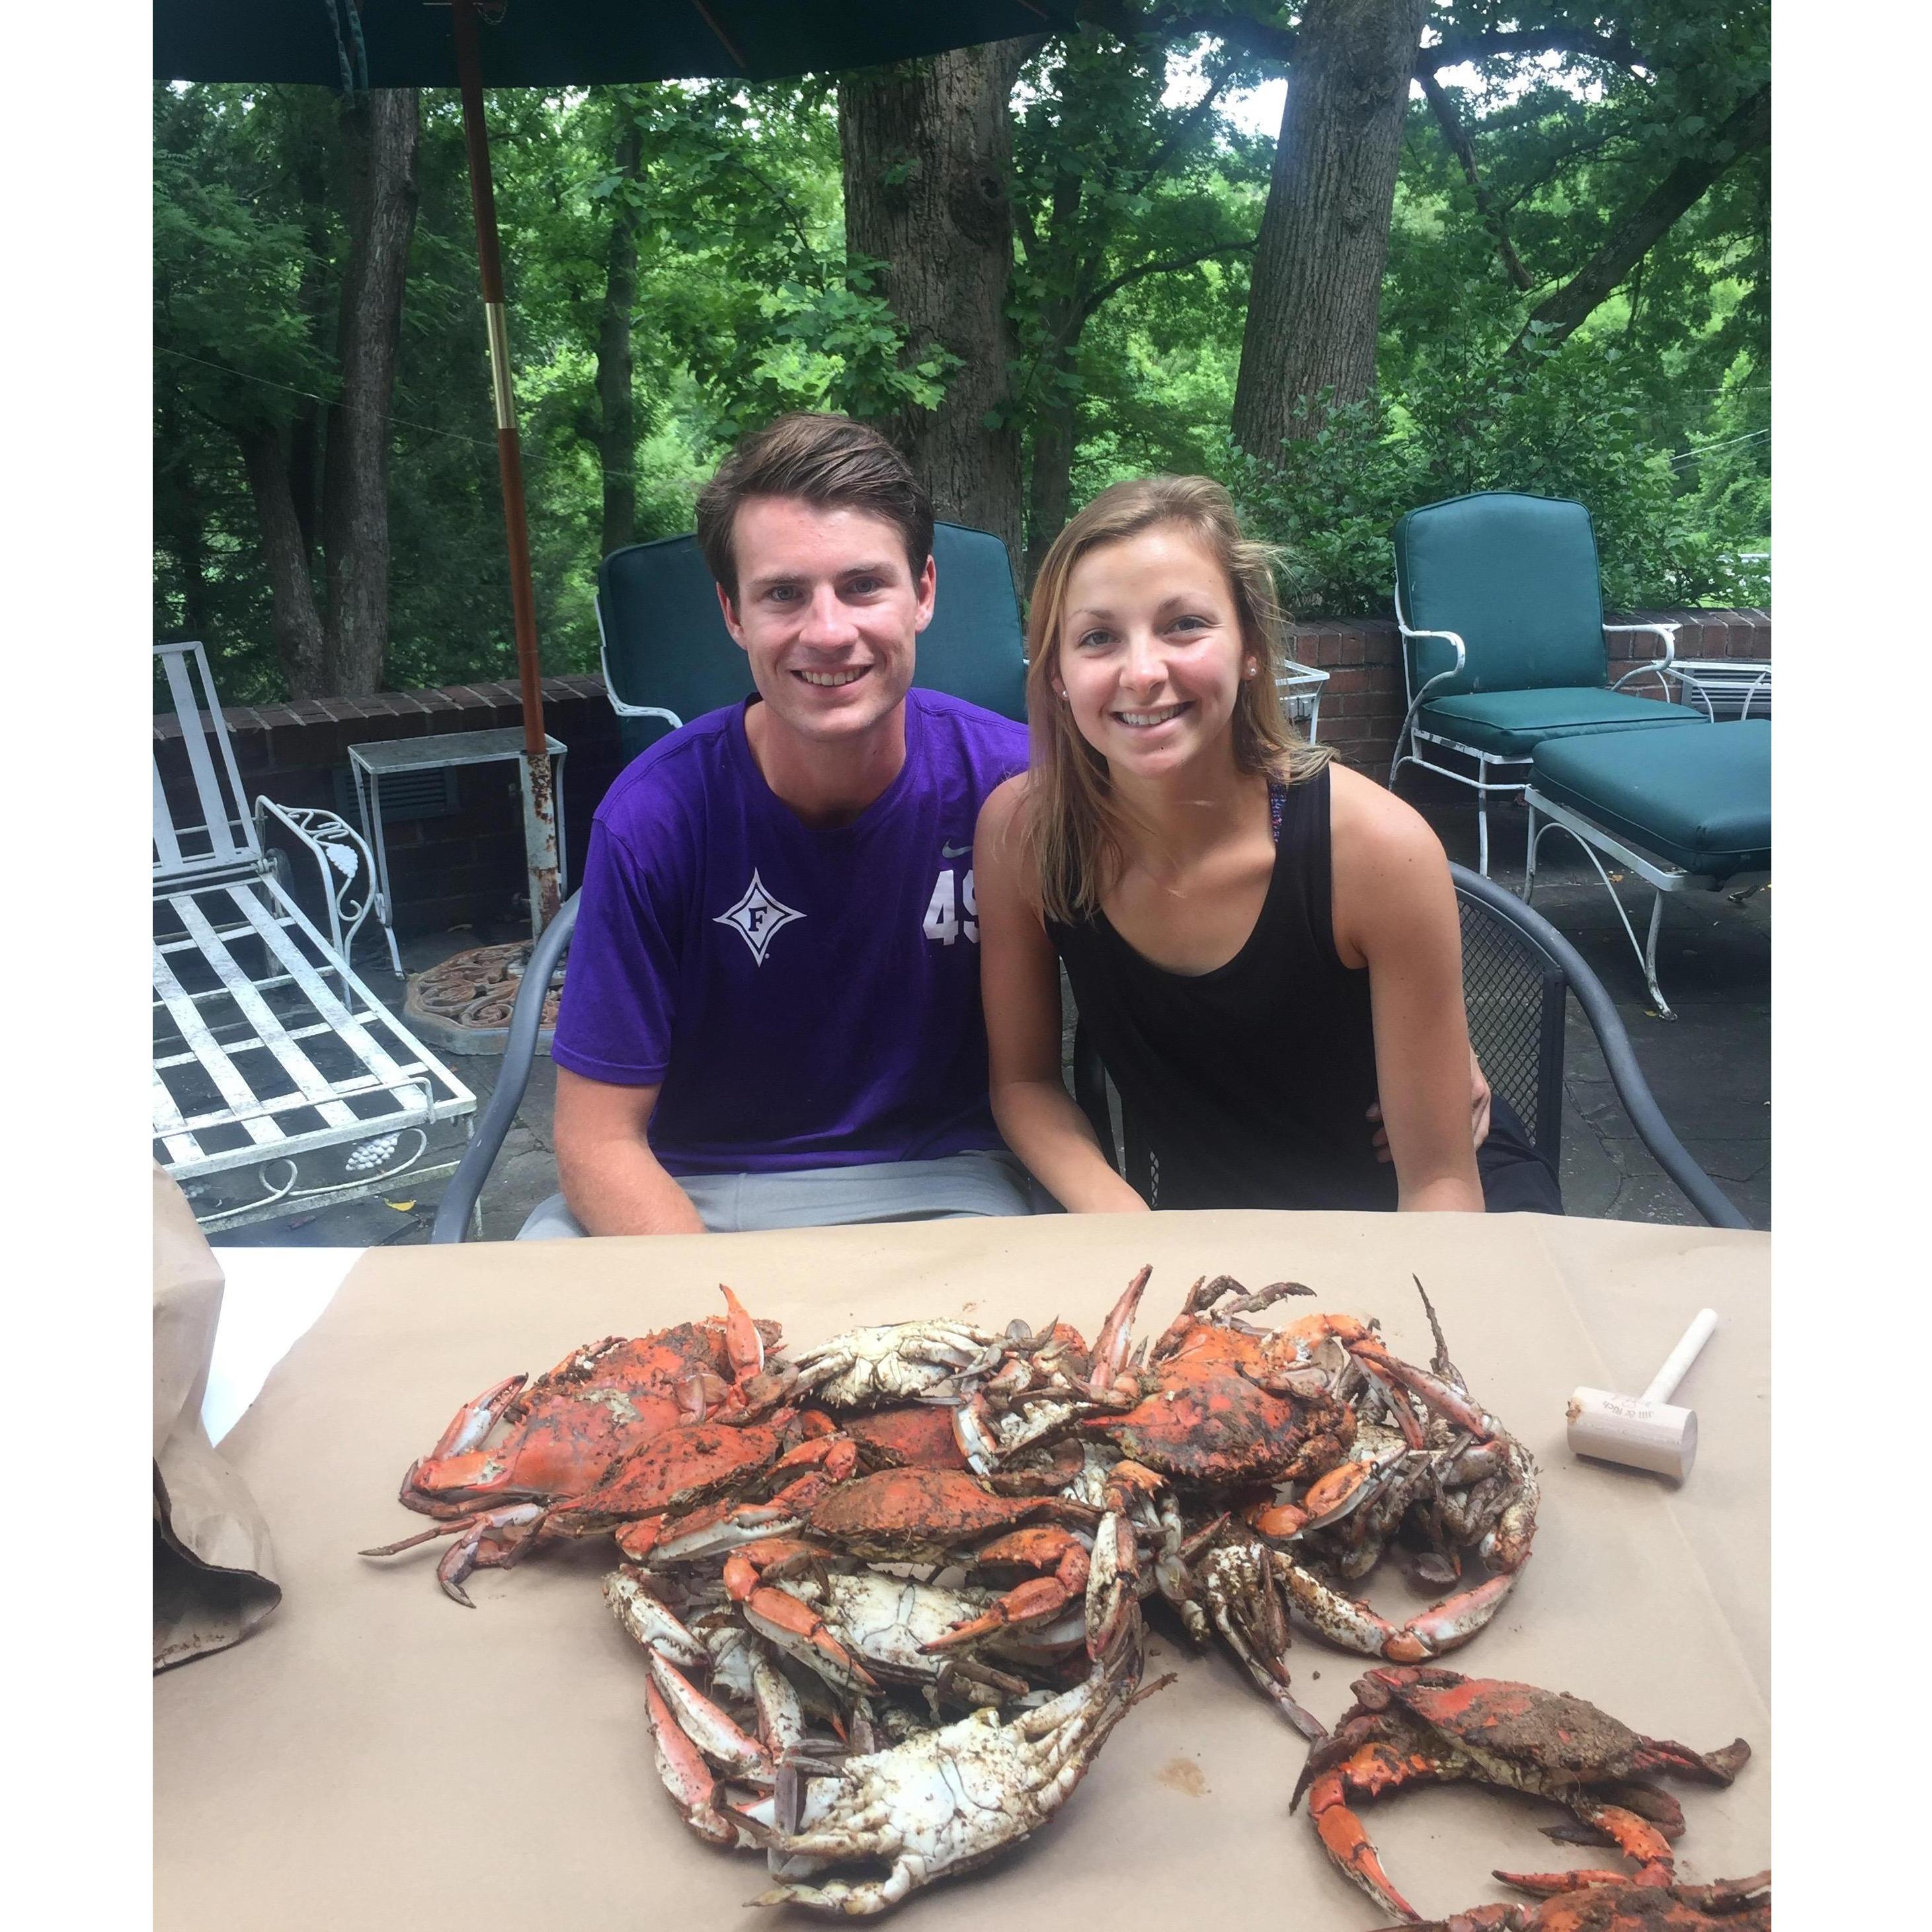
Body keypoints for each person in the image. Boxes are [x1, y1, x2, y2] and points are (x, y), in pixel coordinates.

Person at [975, 475, 1562, 1216]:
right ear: (1056, 674)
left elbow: (1441, 1183)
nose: (1143, 672)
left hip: (1418, 1217)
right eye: (1097, 637)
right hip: (1214, 1233)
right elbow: (1024, 1085)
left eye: (1184, 624)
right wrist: (1125, 1226)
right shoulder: (1022, 837)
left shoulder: (1374, 849)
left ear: (1251, 646)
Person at [522, 413, 1034, 1237]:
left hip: (945, 1190)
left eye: (864, 585)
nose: (828, 631)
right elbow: (596, 1141)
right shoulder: (655, 817)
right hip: (691, 1193)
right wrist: (732, 1328)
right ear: (733, 613)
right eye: (784, 594)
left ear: (925, 594)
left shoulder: (1018, 785)